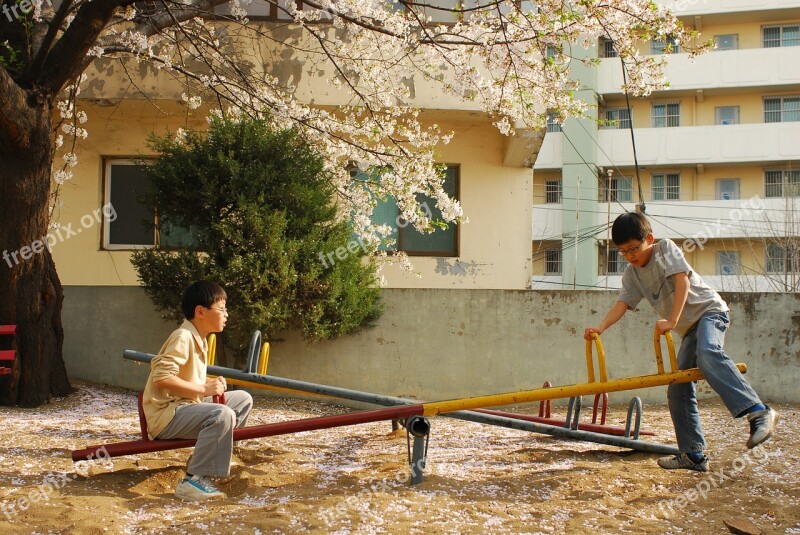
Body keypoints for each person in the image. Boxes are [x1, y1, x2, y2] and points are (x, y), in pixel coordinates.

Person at [584, 212, 778, 472]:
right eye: (623, 252)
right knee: (678, 387)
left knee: (708, 353)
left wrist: (672, 320)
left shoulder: (665, 249)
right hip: (689, 329)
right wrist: (601, 327)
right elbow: (622, 303)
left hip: (710, 312)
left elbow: (682, 281)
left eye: (634, 249)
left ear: (649, 239)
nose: (630, 256)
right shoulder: (632, 273)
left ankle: (758, 411)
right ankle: (693, 455)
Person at [142, 280, 253, 500]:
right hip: (167, 416)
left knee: (242, 399)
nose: (226, 314)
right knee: (222, 414)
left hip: (186, 406)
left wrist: (209, 384)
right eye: (221, 309)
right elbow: (161, 377)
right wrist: (203, 388)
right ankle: (193, 481)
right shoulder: (183, 337)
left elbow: (186, 378)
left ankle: (215, 457)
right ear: (200, 311)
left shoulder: (199, 339)